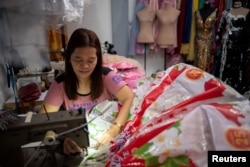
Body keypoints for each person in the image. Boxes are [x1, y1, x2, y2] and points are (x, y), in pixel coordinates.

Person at [39, 28, 134, 154]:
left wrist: (115, 128)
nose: (85, 66)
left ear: (98, 59)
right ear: (69, 58)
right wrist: (62, 141)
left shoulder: (107, 76)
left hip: (106, 138)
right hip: (79, 144)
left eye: (91, 60)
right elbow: (43, 121)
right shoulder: (59, 85)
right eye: (78, 60)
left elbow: (129, 97)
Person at [216, 1, 250, 95]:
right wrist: (217, 37)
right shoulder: (226, 12)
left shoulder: (247, 12)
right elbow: (220, 28)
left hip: (241, 44)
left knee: (239, 64)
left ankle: (238, 84)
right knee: (225, 63)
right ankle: (223, 81)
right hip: (227, 44)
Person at [194, 0, 218, 72]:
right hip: (198, 39)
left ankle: (205, 78)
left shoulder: (215, 11)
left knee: (207, 60)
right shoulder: (198, 12)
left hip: (209, 39)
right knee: (198, 59)